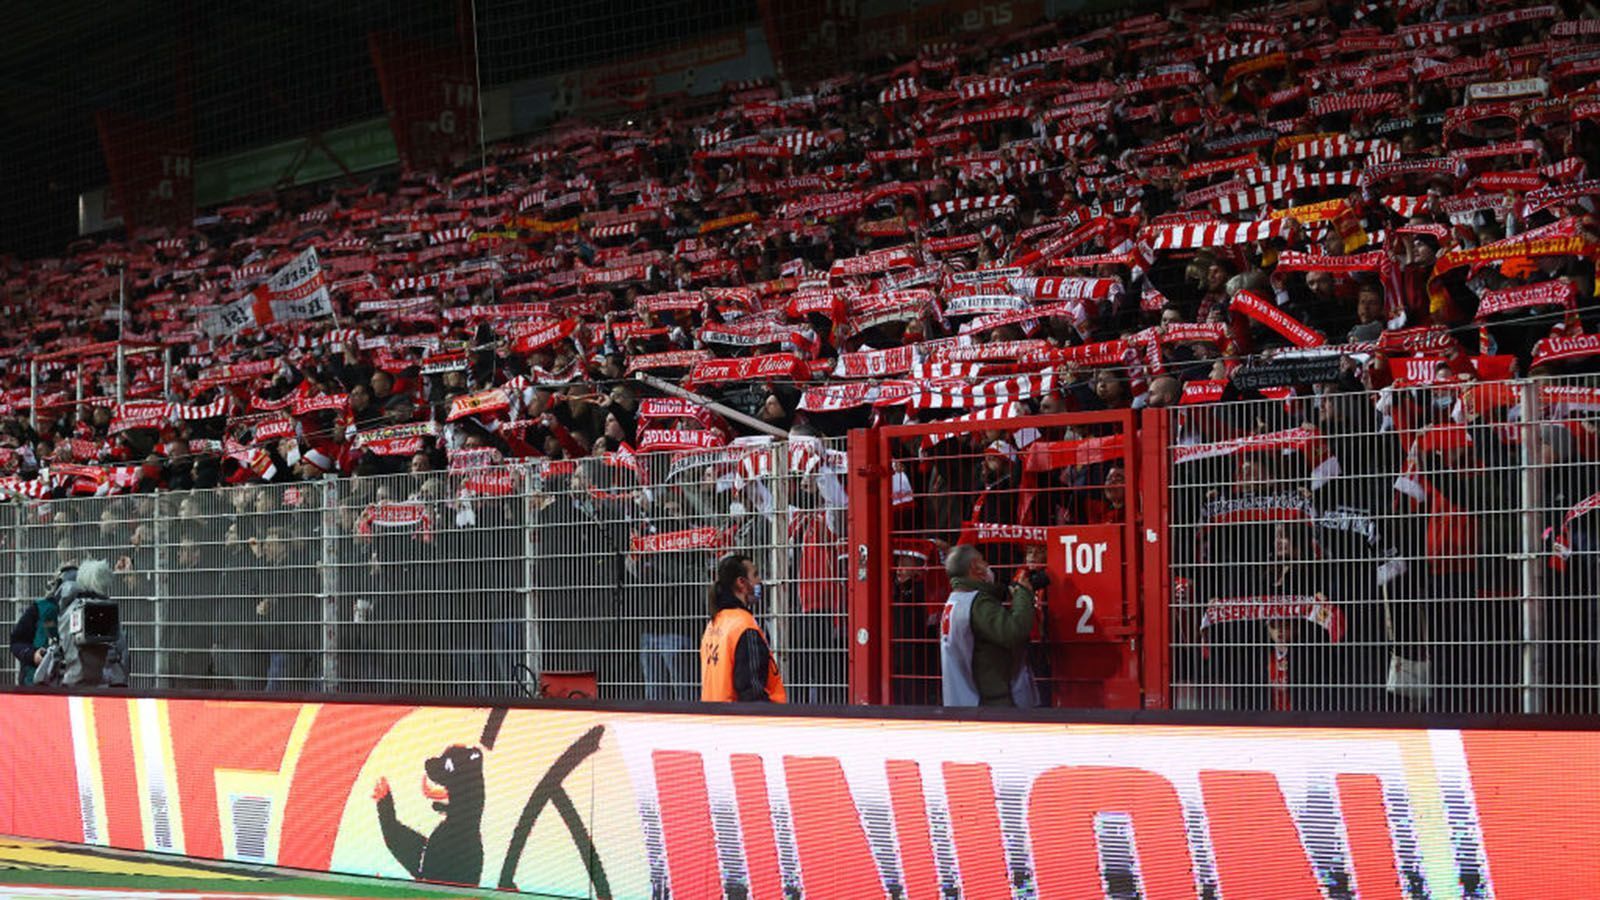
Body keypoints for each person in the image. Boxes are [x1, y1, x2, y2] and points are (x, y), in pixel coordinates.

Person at [940, 544, 1048, 708]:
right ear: (975, 567)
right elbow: (1013, 631)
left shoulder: (956, 600)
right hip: (989, 702)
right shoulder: (977, 603)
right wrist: (1023, 593)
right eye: (983, 561)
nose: (987, 566)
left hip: (964, 698)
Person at [700, 554, 786, 703]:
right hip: (740, 720)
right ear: (741, 582)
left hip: (716, 716)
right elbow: (752, 691)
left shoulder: (715, 623)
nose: (759, 581)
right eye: (755, 575)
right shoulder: (744, 626)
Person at [9, 562, 73, 685]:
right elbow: (16, 642)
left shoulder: (88, 611)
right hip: (36, 682)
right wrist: (33, 655)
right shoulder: (41, 608)